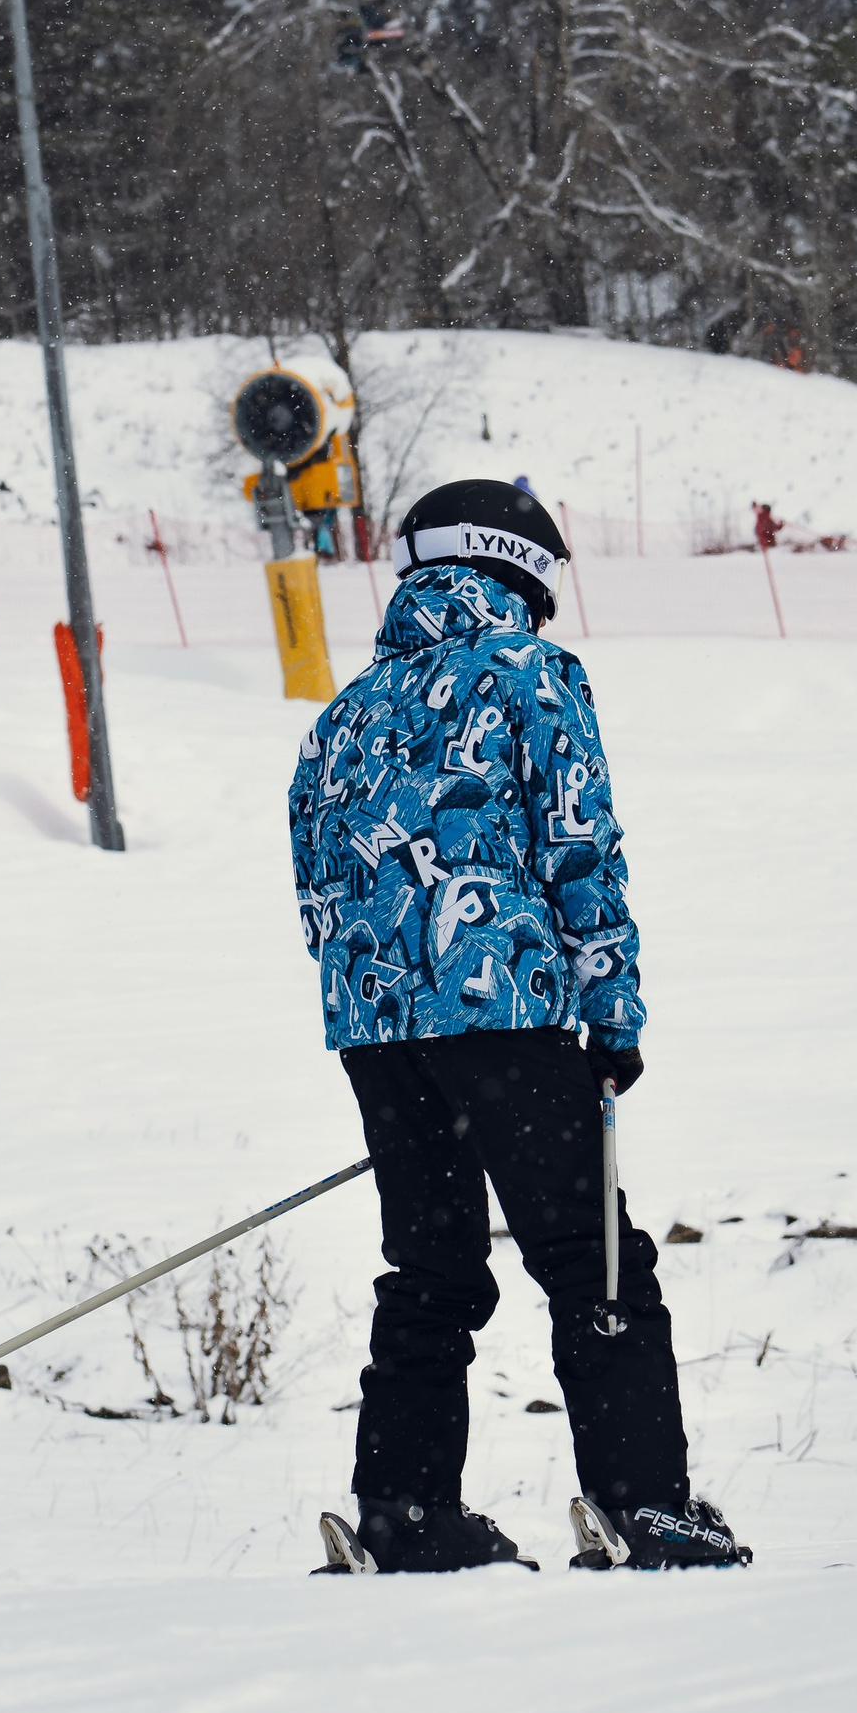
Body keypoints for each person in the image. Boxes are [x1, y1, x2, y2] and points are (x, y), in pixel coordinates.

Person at [289, 477, 751, 1576]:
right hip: (511, 1011)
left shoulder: (342, 711)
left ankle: (406, 1512)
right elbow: (577, 847)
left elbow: (317, 890)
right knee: (592, 1260)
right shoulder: (530, 675)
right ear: (520, 571)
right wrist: (612, 1011)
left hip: (378, 1030)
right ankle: (644, 1504)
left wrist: (390, 1019)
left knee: (430, 1271)